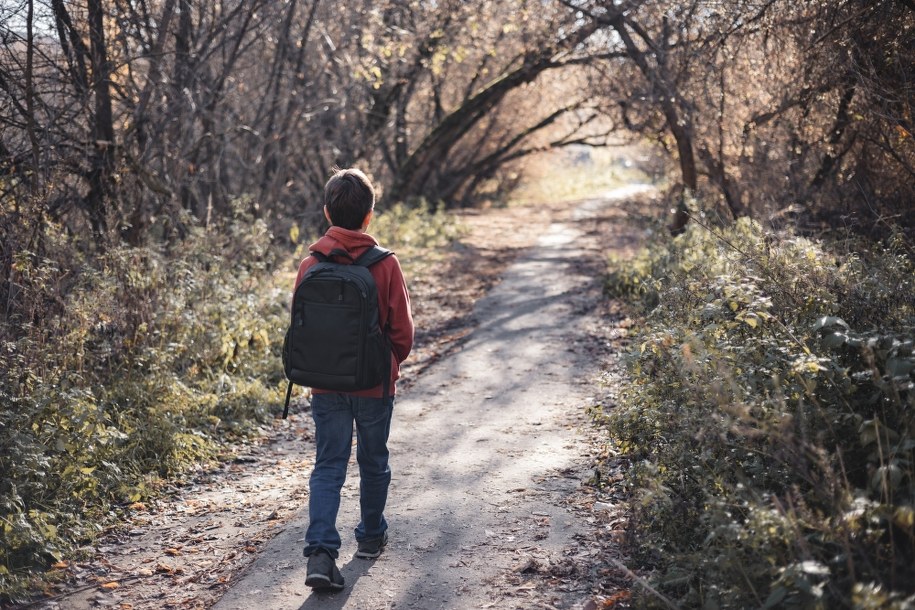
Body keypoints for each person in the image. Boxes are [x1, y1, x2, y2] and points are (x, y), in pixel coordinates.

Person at [296, 168, 414, 591]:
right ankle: (369, 537)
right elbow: (403, 332)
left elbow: (302, 326)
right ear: (370, 216)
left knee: (328, 465)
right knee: (373, 461)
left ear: (327, 212)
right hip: (374, 386)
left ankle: (321, 553)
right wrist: (386, 363)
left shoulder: (311, 263)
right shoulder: (385, 264)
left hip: (325, 385)